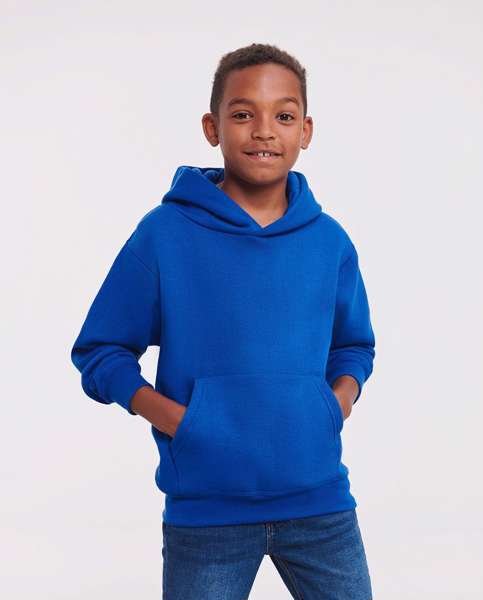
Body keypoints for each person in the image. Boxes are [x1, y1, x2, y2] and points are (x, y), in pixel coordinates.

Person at [70, 42, 376, 600]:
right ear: (212, 128)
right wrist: (179, 421)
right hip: (206, 513)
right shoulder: (165, 234)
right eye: (243, 114)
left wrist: (334, 405)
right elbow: (101, 350)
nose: (264, 131)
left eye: (284, 116)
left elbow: (354, 345)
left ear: (306, 131)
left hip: (321, 503)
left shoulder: (329, 241)